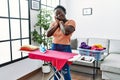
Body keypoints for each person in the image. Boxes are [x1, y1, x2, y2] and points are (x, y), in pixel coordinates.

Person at [46, 5, 76, 80]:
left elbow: (65, 32)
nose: (58, 15)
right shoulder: (54, 24)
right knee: (56, 71)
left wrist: (61, 22)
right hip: (54, 48)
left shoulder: (71, 22)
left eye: (60, 13)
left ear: (65, 12)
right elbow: (48, 34)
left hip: (65, 48)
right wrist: (57, 24)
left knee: (65, 71)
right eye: (56, 14)